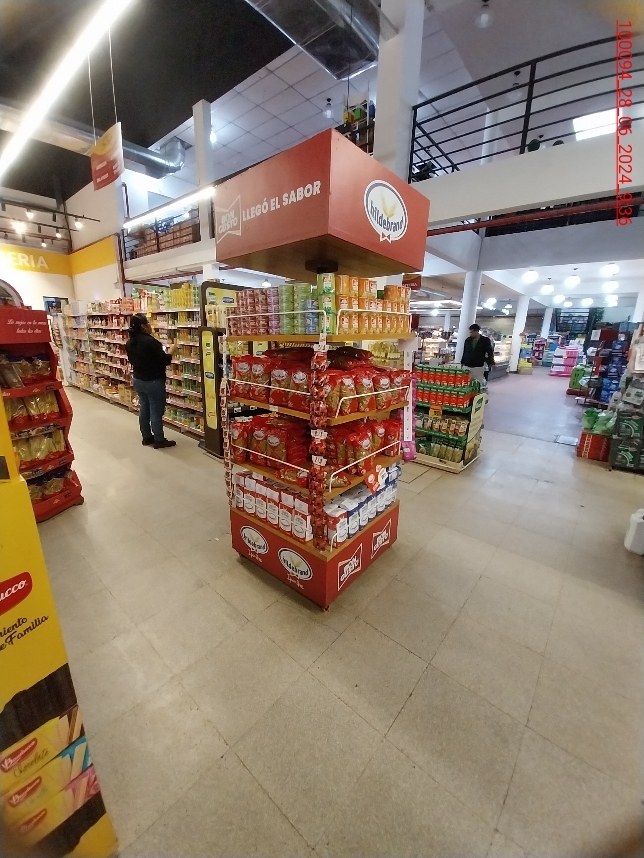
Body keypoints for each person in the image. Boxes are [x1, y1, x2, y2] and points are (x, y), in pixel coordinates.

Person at [125, 313, 177, 449]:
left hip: (138, 379)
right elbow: (164, 360)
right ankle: (159, 439)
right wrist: (171, 351)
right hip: (153, 381)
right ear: (143, 326)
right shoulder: (151, 342)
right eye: (148, 323)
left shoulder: (130, 343)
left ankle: (147, 437)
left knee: (144, 408)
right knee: (156, 411)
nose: (150, 326)